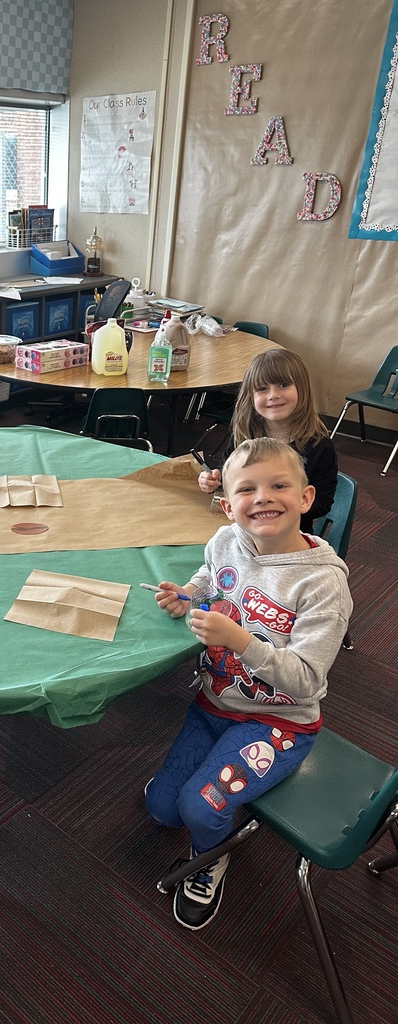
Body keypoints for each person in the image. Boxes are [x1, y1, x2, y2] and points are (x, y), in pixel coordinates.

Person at [146, 437, 352, 931]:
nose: (262, 497)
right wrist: (190, 592)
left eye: (279, 485)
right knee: (162, 809)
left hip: (280, 722)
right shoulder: (224, 540)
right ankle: (199, 811)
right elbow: (212, 574)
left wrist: (241, 642)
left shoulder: (322, 583)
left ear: (306, 498)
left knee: (200, 808)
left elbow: (305, 680)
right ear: (227, 503)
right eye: (247, 489)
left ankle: (209, 859)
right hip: (215, 701)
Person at [196, 349, 337, 532]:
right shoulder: (244, 434)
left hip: (289, 536)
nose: (273, 395)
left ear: (302, 389)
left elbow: (323, 502)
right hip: (243, 529)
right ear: (251, 395)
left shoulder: (319, 445)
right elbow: (228, 475)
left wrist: (280, 506)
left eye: (283, 385)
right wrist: (213, 480)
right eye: (262, 389)